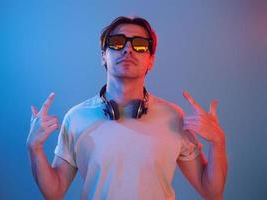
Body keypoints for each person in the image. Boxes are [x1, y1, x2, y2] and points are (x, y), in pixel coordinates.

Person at [27, 16, 228, 200]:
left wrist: (218, 142)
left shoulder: (173, 117)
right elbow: (54, 192)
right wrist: (34, 148)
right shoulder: (77, 117)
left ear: (151, 60)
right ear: (103, 56)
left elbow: (211, 191)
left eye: (140, 45)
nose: (128, 50)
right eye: (117, 42)